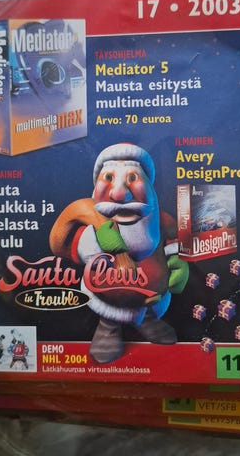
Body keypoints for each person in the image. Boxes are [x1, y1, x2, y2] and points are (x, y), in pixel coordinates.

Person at [49, 143, 189, 363]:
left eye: (133, 178)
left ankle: (148, 320)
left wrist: (179, 265)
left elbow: (177, 245)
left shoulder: (161, 223)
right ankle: (109, 327)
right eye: (109, 178)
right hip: (108, 301)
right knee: (109, 321)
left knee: (150, 313)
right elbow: (60, 245)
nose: (119, 194)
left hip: (152, 299)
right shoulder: (93, 230)